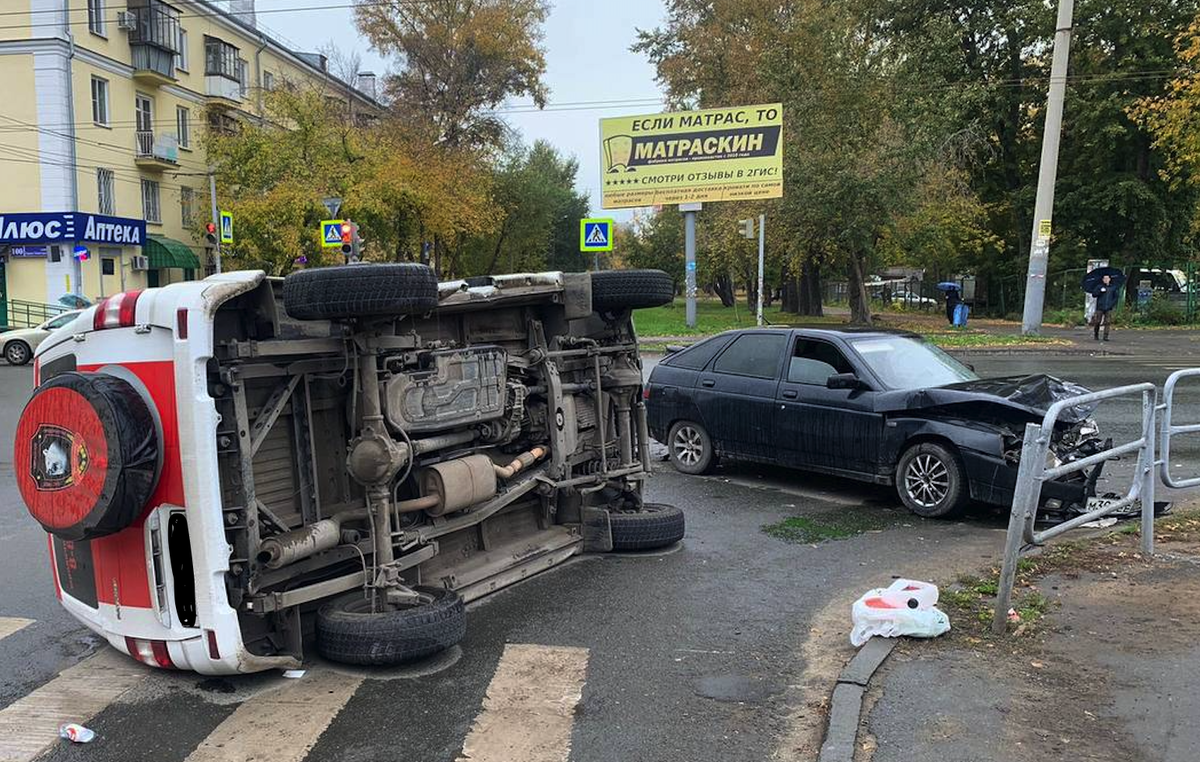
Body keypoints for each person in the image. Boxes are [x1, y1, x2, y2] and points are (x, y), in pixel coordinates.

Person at [1088, 274, 1120, 341]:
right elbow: (1094, 294)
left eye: (1107, 278)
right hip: (1100, 307)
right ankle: (1096, 334)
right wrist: (1100, 291)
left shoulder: (1113, 287)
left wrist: (1112, 304)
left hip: (1109, 307)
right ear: (1102, 280)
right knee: (1098, 321)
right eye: (1104, 278)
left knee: (1107, 322)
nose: (1106, 280)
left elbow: (1116, 297)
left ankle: (1106, 336)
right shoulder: (1099, 286)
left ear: (1109, 279)